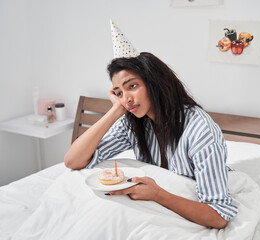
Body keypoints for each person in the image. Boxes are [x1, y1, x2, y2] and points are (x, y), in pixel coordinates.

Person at [64, 52, 238, 229]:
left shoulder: (200, 129)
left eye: (132, 86)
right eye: (119, 93)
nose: (127, 99)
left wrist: (157, 195)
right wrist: (115, 110)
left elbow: (218, 217)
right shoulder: (132, 123)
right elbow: (73, 160)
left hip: (186, 209)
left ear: (154, 82)